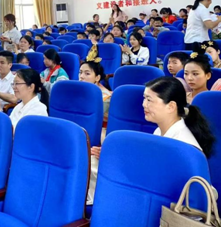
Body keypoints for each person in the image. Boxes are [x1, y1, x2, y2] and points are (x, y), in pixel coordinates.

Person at [87, 76, 215, 204]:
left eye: (149, 100)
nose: (144, 104)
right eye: (144, 98)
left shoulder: (183, 145)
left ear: (171, 106)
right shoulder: (160, 130)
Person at [0, 68, 48, 133]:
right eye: (13, 84)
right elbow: (8, 126)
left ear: (31, 87)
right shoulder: (18, 106)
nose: (14, 87)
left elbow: (17, 133)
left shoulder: (39, 109)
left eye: (17, 83)